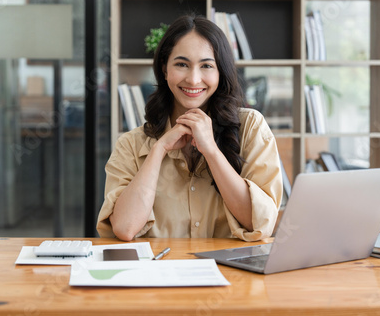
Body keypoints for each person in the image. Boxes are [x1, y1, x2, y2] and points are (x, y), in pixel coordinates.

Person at [97, 14, 282, 241]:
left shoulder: (251, 127)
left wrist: (211, 151)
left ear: (220, 72)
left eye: (206, 65)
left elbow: (260, 223)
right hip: (161, 272)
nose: (194, 80)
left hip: (232, 275)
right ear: (165, 69)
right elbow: (125, 228)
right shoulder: (130, 144)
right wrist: (159, 149)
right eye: (182, 64)